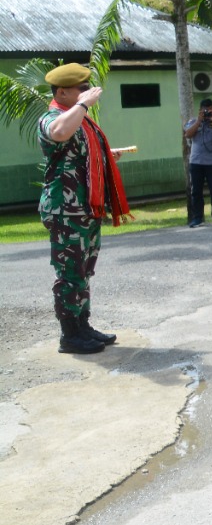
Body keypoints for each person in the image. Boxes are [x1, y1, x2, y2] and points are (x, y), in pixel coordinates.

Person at [38, 63, 132, 354]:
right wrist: (82, 104)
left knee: (84, 269)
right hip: (65, 209)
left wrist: (105, 154)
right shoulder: (52, 117)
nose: (87, 92)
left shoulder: (81, 120)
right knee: (70, 271)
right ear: (63, 92)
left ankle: (83, 326)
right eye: (80, 88)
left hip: (86, 208)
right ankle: (69, 335)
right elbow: (59, 133)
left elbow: (81, 152)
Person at [183, 97, 212, 227]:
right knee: (196, 191)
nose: (207, 113)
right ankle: (198, 218)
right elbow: (187, 134)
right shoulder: (193, 121)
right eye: (205, 110)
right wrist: (199, 121)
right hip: (196, 162)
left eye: (210, 110)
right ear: (199, 111)